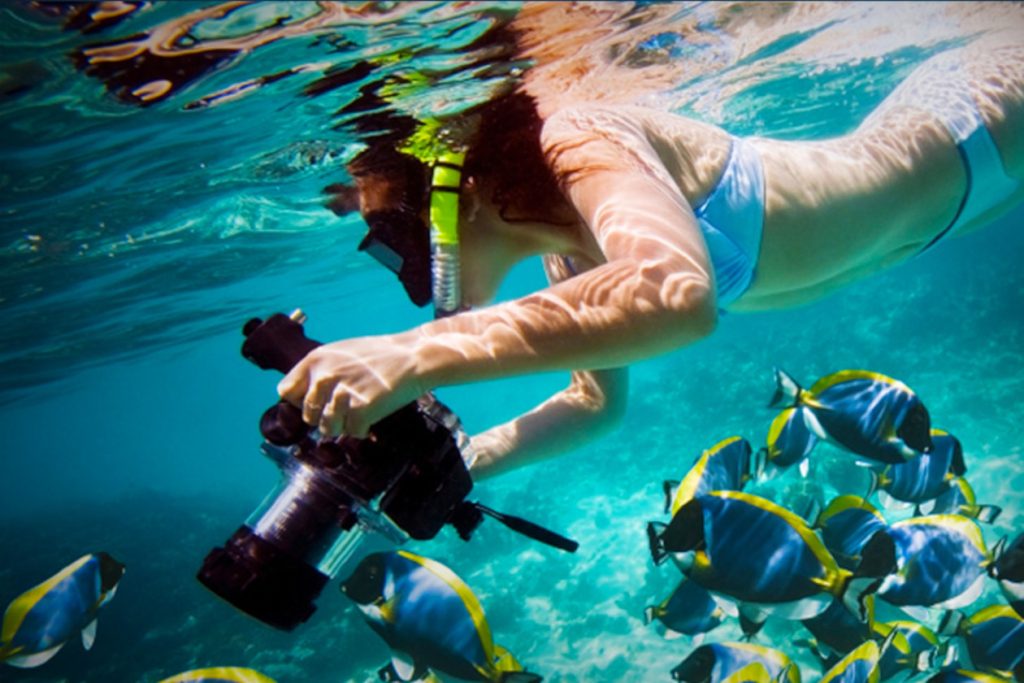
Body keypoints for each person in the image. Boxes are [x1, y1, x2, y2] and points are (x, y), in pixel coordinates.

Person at [278, 4, 1024, 480]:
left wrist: (413, 354)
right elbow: (591, 402)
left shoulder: (576, 134)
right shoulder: (571, 252)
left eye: (390, 235)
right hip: (964, 207)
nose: (404, 270)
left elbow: (674, 293)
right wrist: (464, 463)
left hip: (981, 118)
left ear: (454, 195)